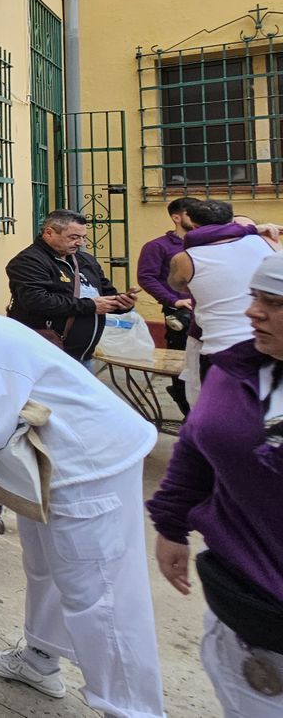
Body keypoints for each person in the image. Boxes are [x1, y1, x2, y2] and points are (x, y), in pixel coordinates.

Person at [0, 299, 164, 717]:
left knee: (101, 596)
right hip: (49, 464)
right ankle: (40, 660)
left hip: (88, 464)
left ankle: (133, 709)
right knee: (45, 566)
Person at [148, 250, 283, 716]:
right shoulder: (239, 366)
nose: (252, 312)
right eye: (254, 297)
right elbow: (196, 442)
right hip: (246, 609)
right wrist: (170, 523)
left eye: (275, 302)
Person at [6, 209, 138, 363]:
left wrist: (122, 303)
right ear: (49, 233)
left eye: (83, 237)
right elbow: (36, 300)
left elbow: (106, 292)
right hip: (46, 353)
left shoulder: (86, 260)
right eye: (74, 237)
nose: (80, 243)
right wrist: (90, 306)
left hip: (83, 356)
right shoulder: (28, 261)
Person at [168, 199, 276, 382]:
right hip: (269, 340)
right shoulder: (266, 242)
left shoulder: (184, 259)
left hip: (220, 348)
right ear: (232, 220)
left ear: (192, 224)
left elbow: (178, 286)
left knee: (218, 406)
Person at [137, 197, 198, 414]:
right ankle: (187, 414)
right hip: (180, 315)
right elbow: (146, 277)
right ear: (177, 217)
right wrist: (174, 300)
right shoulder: (157, 246)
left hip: (209, 314)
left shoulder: (205, 243)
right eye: (192, 213)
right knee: (181, 366)